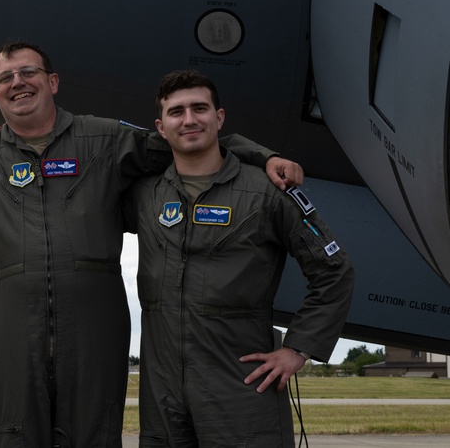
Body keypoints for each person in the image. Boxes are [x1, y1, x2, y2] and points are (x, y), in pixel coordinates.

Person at [0, 42, 303, 448]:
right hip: (13, 326)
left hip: (95, 326)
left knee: (94, 436)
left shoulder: (103, 137)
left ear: (52, 81)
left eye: (28, 72)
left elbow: (188, 139)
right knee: (11, 436)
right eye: (5, 79)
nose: (18, 83)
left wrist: (260, 155)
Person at [125, 69, 354, 447]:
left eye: (200, 108)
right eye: (176, 112)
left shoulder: (268, 192)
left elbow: (334, 269)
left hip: (241, 387)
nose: (189, 119)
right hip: (163, 393)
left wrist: (298, 349)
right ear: (161, 128)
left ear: (219, 117)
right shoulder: (144, 194)